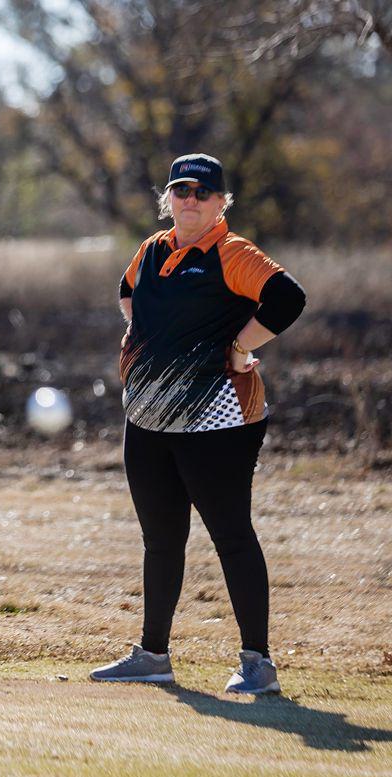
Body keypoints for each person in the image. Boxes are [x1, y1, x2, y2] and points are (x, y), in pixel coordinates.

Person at [90, 153, 306, 695]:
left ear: (220, 203)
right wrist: (140, 336)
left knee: (232, 536)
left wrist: (238, 345)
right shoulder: (153, 248)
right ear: (168, 197)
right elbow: (125, 290)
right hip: (148, 419)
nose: (190, 199)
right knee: (160, 539)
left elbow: (288, 298)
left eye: (202, 192)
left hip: (218, 420)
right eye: (181, 189)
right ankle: (153, 655)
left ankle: (258, 663)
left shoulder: (231, 252)